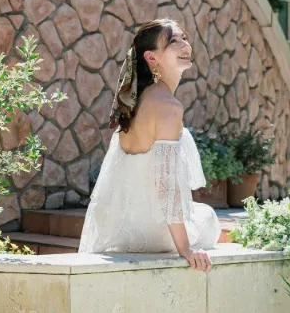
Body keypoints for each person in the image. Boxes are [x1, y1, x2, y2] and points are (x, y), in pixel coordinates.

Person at [78, 19, 220, 271]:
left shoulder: (137, 101)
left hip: (118, 229)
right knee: (208, 217)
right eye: (173, 42)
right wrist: (186, 249)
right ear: (152, 58)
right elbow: (167, 186)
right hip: (152, 232)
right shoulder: (166, 106)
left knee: (201, 213)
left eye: (184, 38)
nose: (185, 45)